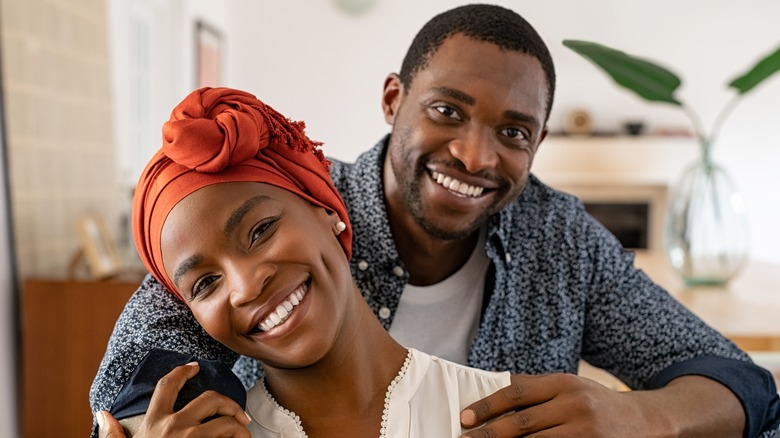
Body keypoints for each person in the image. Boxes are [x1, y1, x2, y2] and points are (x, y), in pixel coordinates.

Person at [92, 4, 780, 437]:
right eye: (447, 111)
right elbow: (131, 389)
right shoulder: (279, 218)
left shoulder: (561, 242)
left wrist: (641, 414)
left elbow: (741, 385)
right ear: (394, 100)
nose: (476, 155)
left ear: (537, 148)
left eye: (514, 132)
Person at [96, 86, 512, 437]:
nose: (245, 287)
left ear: (327, 210)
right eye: (205, 284)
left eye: (260, 231)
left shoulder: (510, 415)